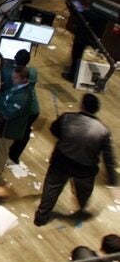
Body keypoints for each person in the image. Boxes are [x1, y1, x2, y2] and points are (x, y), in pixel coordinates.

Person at [34, 93, 118, 226]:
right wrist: (112, 180)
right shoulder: (103, 131)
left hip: (61, 161)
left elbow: (54, 130)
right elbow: (108, 157)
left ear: (82, 105)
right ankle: (81, 210)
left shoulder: (67, 117)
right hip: (84, 168)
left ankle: (41, 216)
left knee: (52, 188)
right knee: (84, 192)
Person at [0, 65, 33, 183]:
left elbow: (8, 114)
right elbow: (4, 97)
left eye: (16, 78)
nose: (13, 80)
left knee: (0, 152)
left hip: (9, 129)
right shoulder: (17, 88)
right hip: (3, 126)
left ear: (24, 79)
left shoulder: (23, 97)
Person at [0, 48, 39, 164]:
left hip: (23, 108)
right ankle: (14, 155)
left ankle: (10, 155)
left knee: (18, 131)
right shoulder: (32, 71)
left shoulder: (12, 73)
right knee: (25, 132)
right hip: (34, 108)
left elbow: (5, 85)